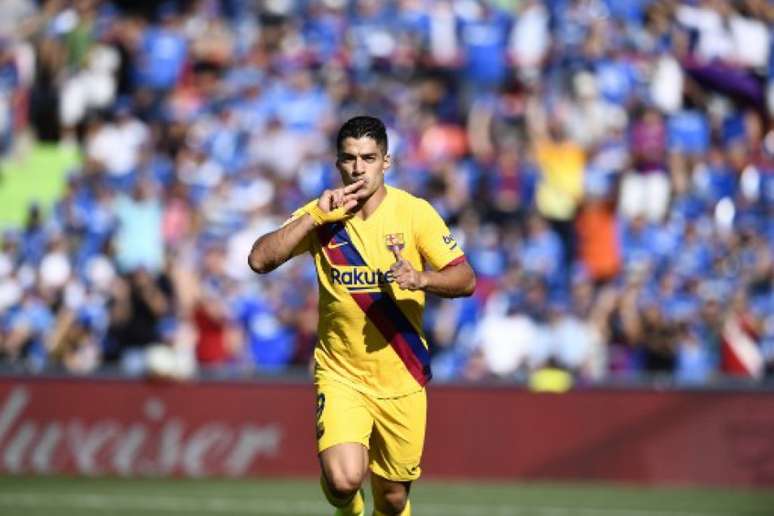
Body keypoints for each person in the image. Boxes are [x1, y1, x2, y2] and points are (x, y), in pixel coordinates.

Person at [248, 116, 476, 516]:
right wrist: (315, 217)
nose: (358, 169)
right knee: (343, 480)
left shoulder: (414, 213)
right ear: (337, 162)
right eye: (349, 159)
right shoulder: (322, 214)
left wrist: (420, 277)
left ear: (386, 161)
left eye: (368, 158)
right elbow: (259, 259)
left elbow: (465, 278)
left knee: (392, 499)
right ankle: (347, 508)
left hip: (401, 374)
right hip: (341, 374)